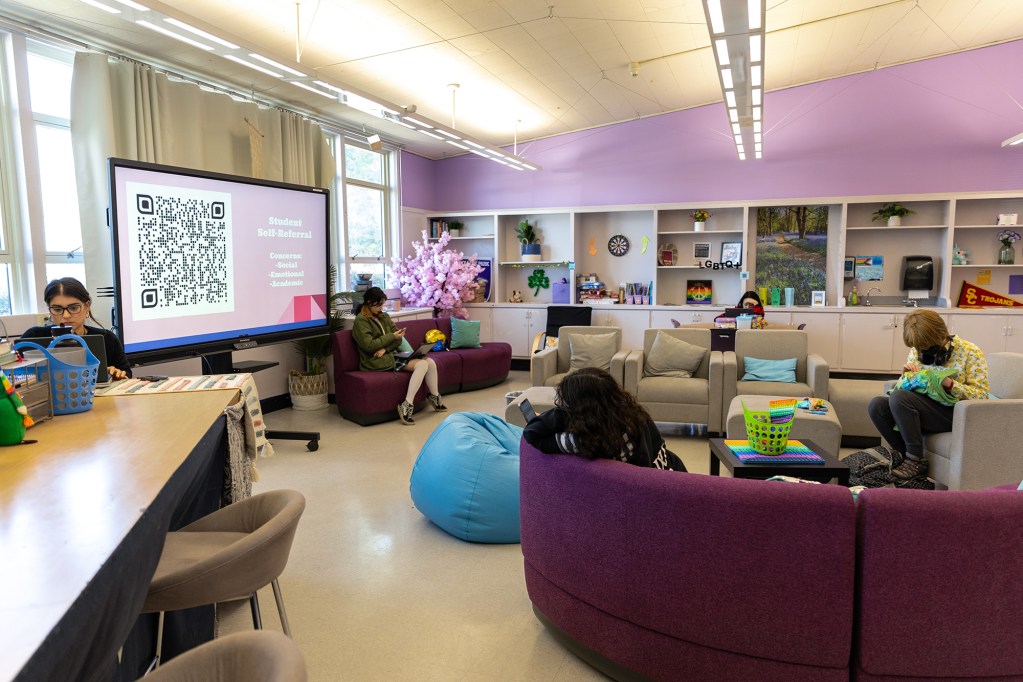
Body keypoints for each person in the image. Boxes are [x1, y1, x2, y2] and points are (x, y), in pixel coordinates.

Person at [866, 309, 989, 480]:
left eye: (926, 348)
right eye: (918, 349)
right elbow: (907, 388)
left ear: (940, 335)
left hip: (953, 413)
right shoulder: (917, 351)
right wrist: (905, 376)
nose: (921, 352)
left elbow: (982, 397)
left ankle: (915, 460)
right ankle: (900, 455)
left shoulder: (970, 352)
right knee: (877, 405)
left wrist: (950, 384)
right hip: (921, 408)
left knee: (899, 398)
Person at [523, 367, 687, 471]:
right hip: (674, 469)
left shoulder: (585, 441)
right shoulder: (634, 414)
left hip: (658, 490)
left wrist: (562, 413)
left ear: (580, 410)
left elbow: (531, 433)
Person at [351, 286, 445, 425]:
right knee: (422, 364)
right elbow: (369, 346)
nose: (381, 308)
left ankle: (434, 396)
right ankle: (406, 405)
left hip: (388, 354)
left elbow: (398, 338)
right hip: (374, 360)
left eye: (382, 304)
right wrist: (390, 339)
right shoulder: (361, 320)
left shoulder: (384, 316)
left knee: (430, 362)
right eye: (379, 305)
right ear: (369, 303)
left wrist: (385, 348)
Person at [21, 277, 131, 380]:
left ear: (86, 306)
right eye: (57, 309)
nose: (66, 315)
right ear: (50, 310)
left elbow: (126, 373)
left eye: (73, 308)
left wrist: (115, 375)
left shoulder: (107, 339)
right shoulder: (32, 337)